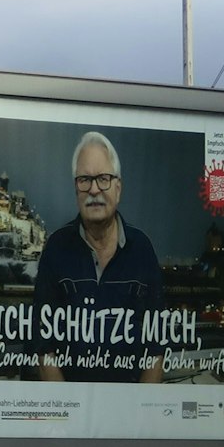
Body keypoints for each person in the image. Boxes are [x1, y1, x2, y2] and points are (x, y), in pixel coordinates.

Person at [29, 131, 166, 383]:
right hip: (71, 410)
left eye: (103, 178)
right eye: (84, 179)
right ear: (76, 188)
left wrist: (143, 416)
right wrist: (67, 415)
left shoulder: (142, 249)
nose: (94, 189)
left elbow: (155, 348)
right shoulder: (56, 248)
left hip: (129, 411)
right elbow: (43, 345)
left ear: (118, 187)